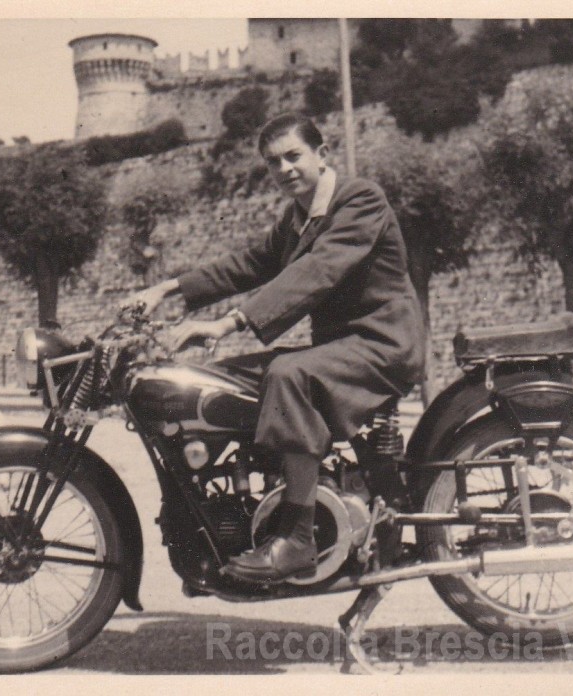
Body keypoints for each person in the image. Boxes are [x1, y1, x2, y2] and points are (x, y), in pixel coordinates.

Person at [126, 113, 425, 582]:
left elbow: (318, 271)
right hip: (343, 346)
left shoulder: (360, 200)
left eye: (293, 156)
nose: (284, 169)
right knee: (219, 379)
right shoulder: (298, 218)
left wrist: (229, 322)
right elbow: (252, 263)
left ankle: (298, 538)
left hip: (381, 345)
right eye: (273, 162)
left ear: (321, 154)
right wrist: (167, 289)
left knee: (288, 375)